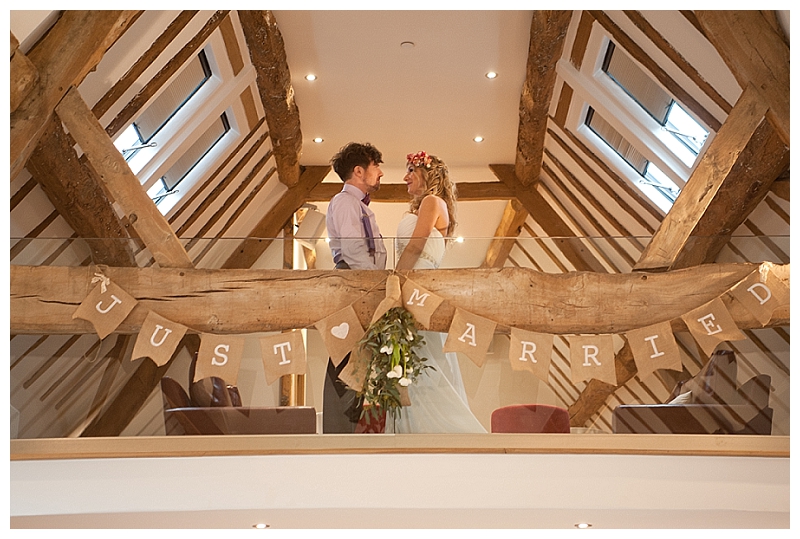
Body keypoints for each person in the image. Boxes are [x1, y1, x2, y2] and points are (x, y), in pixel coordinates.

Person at [389, 151, 487, 433]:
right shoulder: (424, 207)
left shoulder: (432, 202)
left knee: (426, 361)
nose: (405, 177)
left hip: (418, 290)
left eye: (411, 170)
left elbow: (416, 246)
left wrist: (395, 282)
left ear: (427, 175)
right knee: (415, 361)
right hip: (415, 286)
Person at [323, 142, 387, 433]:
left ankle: (349, 428)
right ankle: (340, 432)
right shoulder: (345, 203)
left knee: (356, 360)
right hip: (354, 282)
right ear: (359, 171)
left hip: (361, 281)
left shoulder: (357, 205)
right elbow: (353, 250)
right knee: (345, 359)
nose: (381, 173)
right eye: (376, 167)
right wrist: (373, 284)